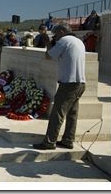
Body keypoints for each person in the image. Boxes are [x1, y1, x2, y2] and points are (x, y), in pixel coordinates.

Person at [33, 21, 86, 150]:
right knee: (72, 114)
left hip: (68, 84)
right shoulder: (78, 41)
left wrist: (49, 46)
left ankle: (49, 142)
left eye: (55, 35)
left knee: (57, 113)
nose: (55, 37)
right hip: (80, 83)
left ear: (61, 32)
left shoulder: (64, 41)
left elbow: (48, 56)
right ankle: (68, 140)